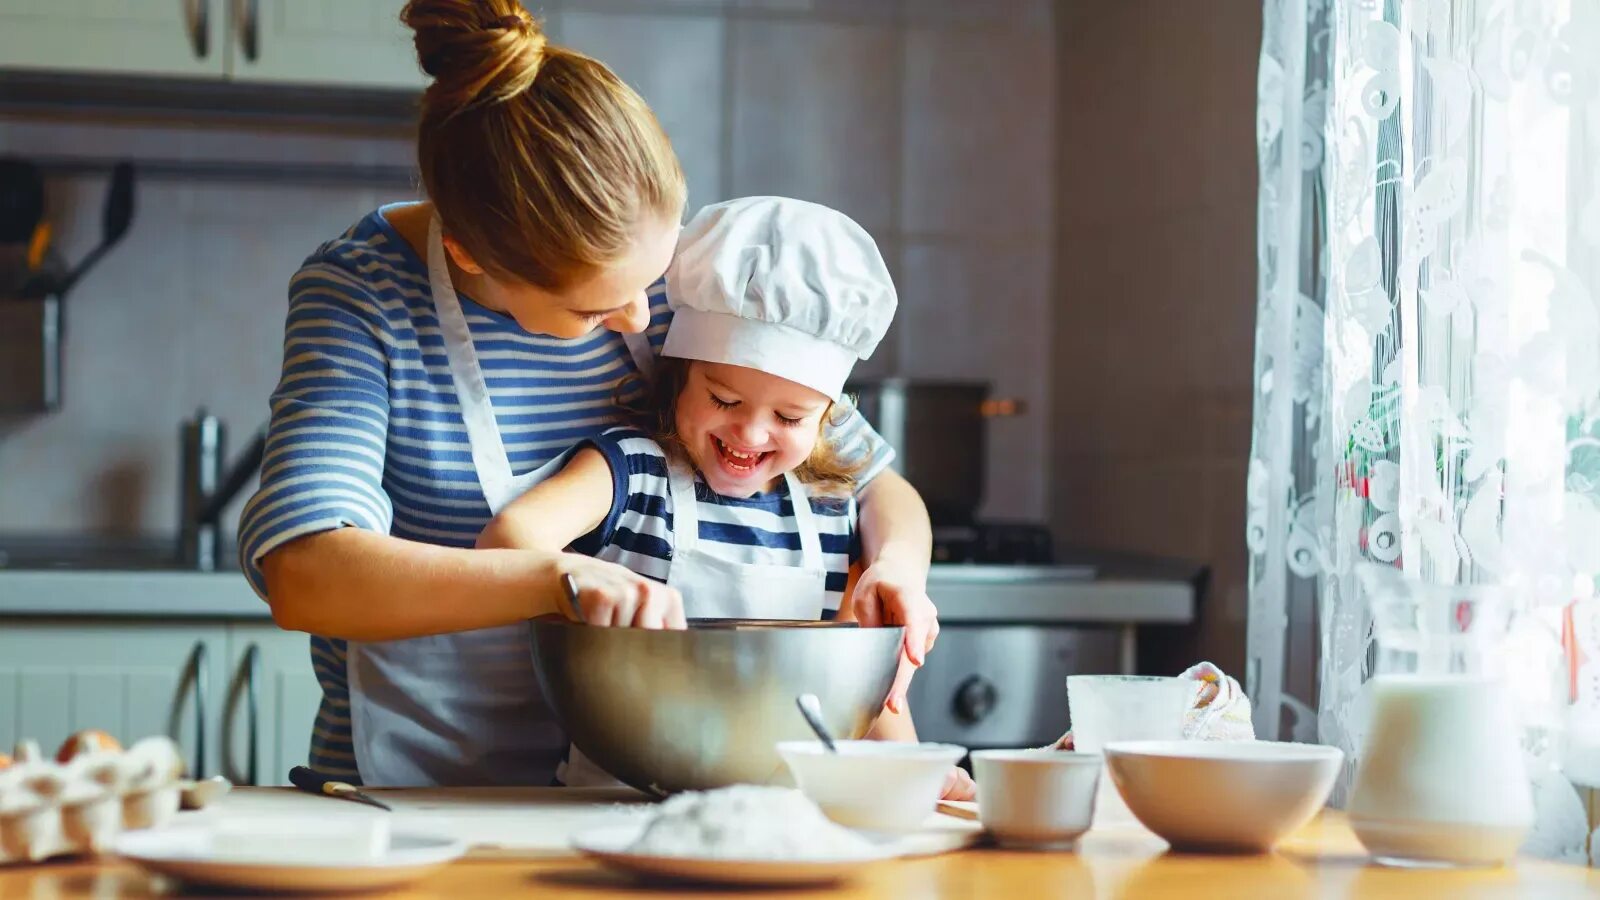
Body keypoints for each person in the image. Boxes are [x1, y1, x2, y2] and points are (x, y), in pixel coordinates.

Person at [237, 0, 938, 788]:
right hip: (423, 794)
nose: (642, 316)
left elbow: (873, 483)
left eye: (653, 277)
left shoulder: (686, 274)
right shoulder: (366, 295)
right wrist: (553, 580)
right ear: (471, 256)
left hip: (642, 794)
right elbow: (306, 571)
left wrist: (898, 570)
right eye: (593, 308)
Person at [479, 197, 976, 799]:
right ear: (679, 377)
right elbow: (508, 539)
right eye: (723, 400)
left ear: (829, 420)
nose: (750, 433)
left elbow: (868, 693)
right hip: (614, 802)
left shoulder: (829, 507)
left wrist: (913, 775)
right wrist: (579, 582)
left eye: (790, 416)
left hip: (787, 819)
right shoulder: (633, 472)